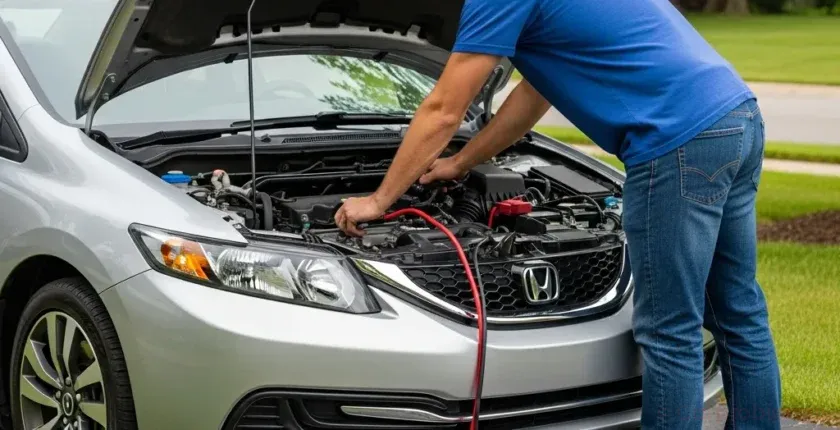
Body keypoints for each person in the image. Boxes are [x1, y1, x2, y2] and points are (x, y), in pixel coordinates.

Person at [333, 0, 781, 428]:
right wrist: (461, 163)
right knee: (737, 313)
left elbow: (444, 110)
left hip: (677, 142)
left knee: (669, 330)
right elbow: (533, 95)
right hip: (736, 116)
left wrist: (379, 201)